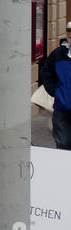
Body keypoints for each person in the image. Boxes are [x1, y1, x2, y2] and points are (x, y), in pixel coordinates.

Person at [41, 21, 71, 150]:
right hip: (62, 109)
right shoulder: (57, 55)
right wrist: (55, 92)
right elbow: (46, 73)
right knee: (63, 145)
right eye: (69, 30)